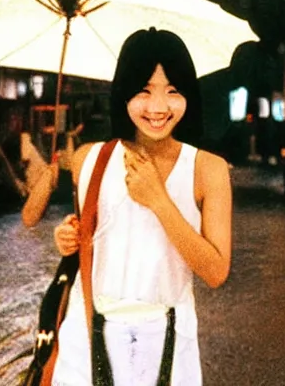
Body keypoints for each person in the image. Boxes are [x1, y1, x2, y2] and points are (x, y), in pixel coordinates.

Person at [46, 28, 231, 386]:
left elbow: (216, 271)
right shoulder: (89, 159)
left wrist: (159, 201)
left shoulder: (208, 169)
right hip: (86, 347)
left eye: (172, 92)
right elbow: (95, 238)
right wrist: (68, 237)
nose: (158, 108)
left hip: (167, 349)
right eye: (144, 91)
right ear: (123, 92)